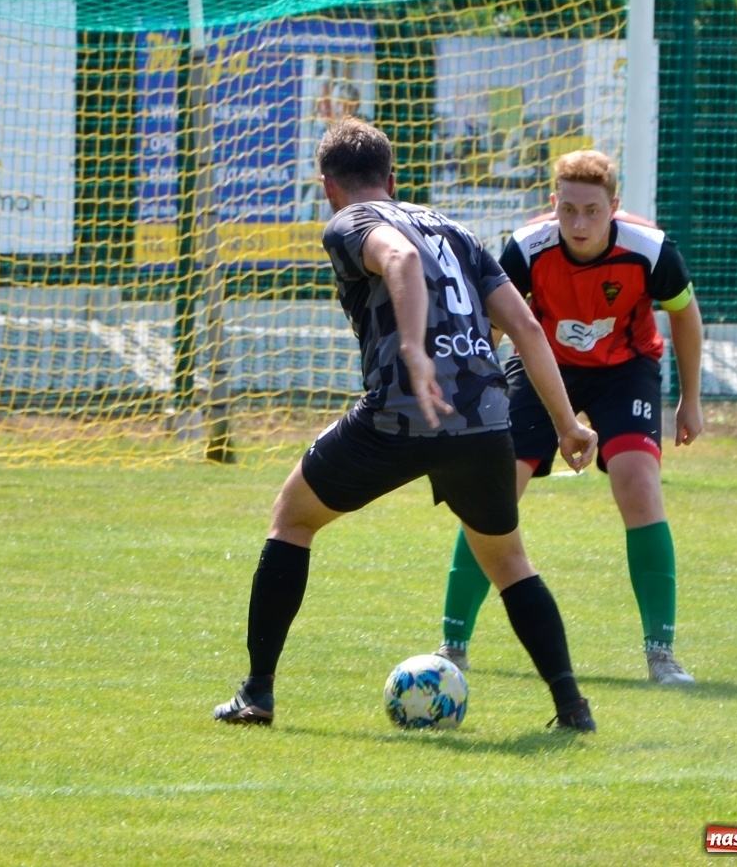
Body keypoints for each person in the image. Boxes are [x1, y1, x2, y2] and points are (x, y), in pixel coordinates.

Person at [213, 117, 600, 731]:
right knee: (507, 561)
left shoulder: (351, 223)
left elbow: (395, 256)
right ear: (391, 179)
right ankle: (571, 707)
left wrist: (416, 350)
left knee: (292, 519)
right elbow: (525, 328)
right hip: (485, 417)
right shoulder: (455, 228)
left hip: (401, 411)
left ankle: (257, 693)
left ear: (327, 187)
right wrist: (567, 423)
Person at [436, 149, 702, 686]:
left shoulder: (650, 250)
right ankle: (452, 644)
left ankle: (661, 654)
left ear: (614, 208)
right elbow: (492, 326)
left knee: (639, 483)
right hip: (541, 367)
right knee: (494, 491)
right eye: (568, 210)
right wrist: (475, 395)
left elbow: (685, 316)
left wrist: (690, 398)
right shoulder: (526, 248)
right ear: (553, 204)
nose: (579, 224)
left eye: (592, 212)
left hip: (624, 370)